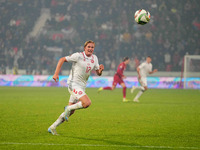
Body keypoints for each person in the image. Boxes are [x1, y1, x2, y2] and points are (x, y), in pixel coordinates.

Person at [48, 40, 104, 135]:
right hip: (73, 84)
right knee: (86, 103)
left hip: (81, 87)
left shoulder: (94, 58)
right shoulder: (78, 56)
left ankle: (52, 127)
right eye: (89, 47)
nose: (90, 49)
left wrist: (100, 70)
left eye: (92, 47)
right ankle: (68, 108)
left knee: (71, 112)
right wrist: (56, 73)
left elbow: (98, 73)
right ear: (85, 48)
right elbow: (62, 59)